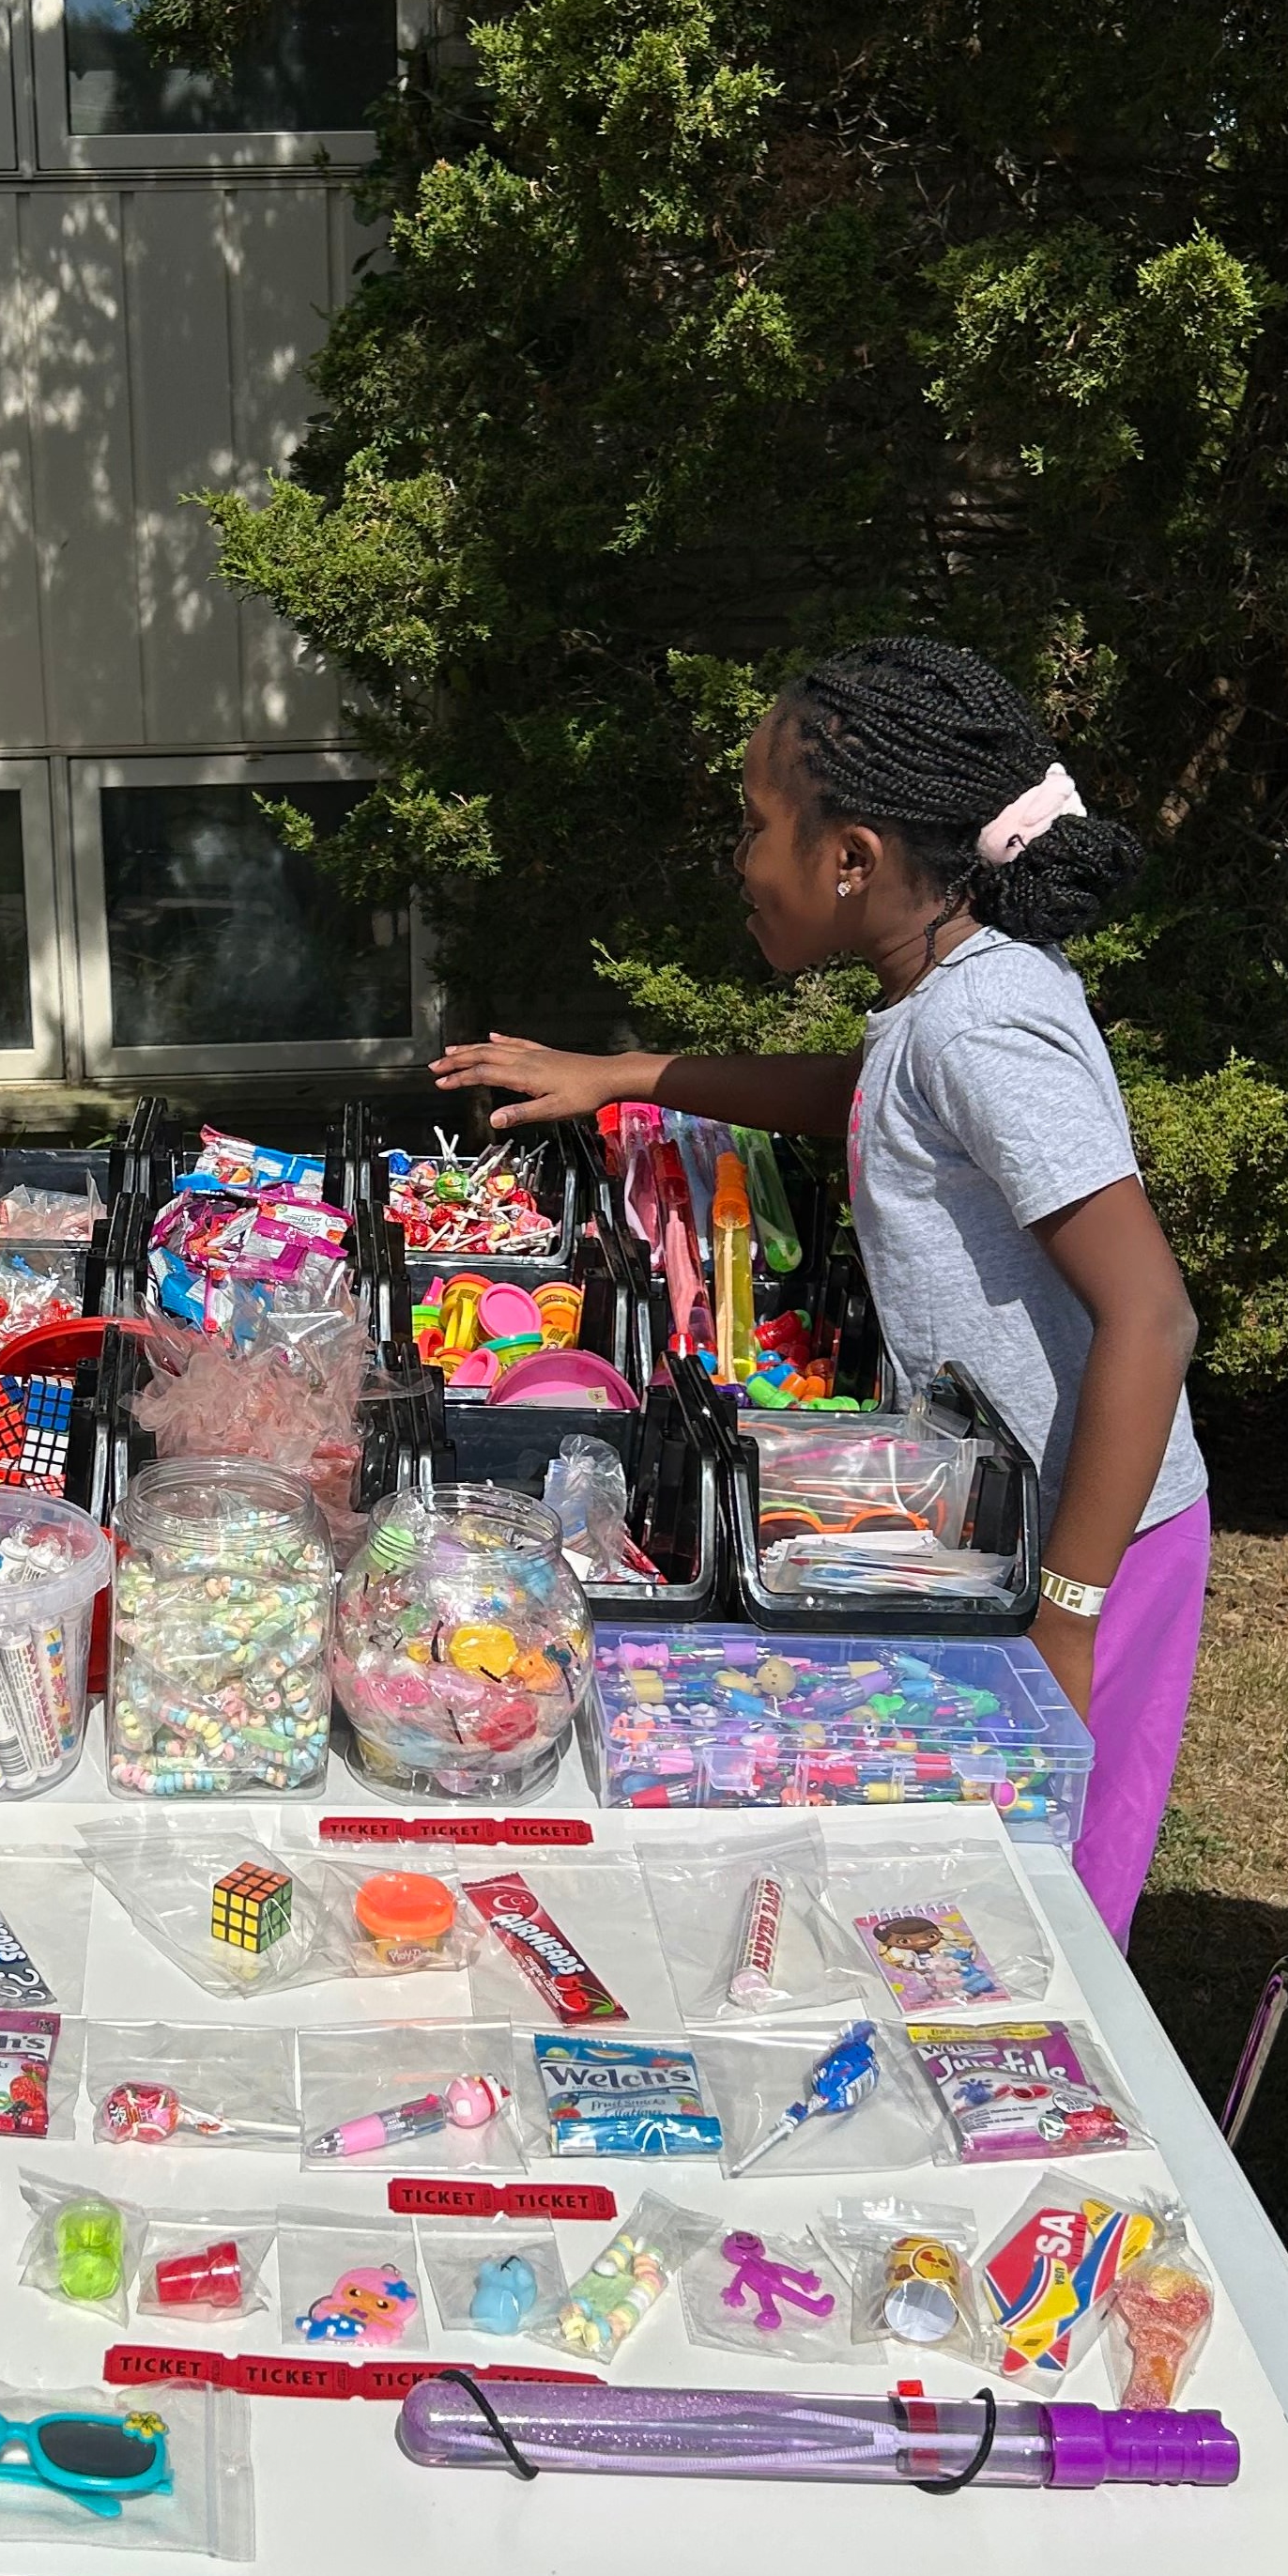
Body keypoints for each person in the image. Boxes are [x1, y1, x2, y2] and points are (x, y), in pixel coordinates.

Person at [435, 634, 1205, 1950]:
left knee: (1053, 1911)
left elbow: (1154, 1315)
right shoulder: (939, 1003)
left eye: (755, 827)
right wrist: (631, 1074)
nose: (740, 860)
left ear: (851, 860)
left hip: (1105, 1548)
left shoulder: (985, 1016)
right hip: (1016, 1538)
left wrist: (1068, 1618)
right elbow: (870, 1102)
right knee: (967, 1896)